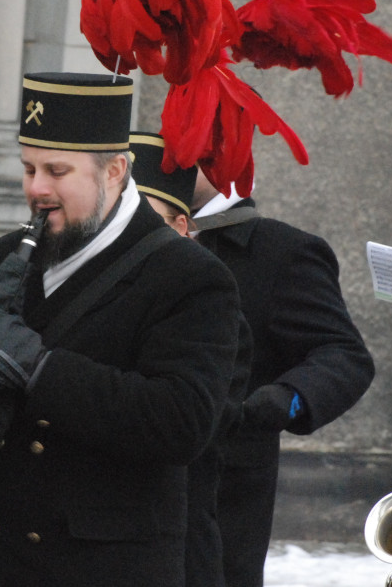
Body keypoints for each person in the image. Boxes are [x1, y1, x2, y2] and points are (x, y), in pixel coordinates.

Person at [0, 72, 241, 587]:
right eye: (29, 169)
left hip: (96, 568)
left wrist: (38, 368)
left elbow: (181, 424)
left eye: (57, 171)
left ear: (115, 171)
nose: (37, 189)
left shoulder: (189, 276)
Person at [189, 165, 375, 587]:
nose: (172, 154)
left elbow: (345, 355)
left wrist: (287, 397)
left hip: (224, 505)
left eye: (192, 142)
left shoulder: (282, 251)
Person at [130, 131, 253, 587]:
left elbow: (189, 425)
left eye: (148, 221)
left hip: (172, 545)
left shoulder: (214, 310)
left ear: (182, 227)